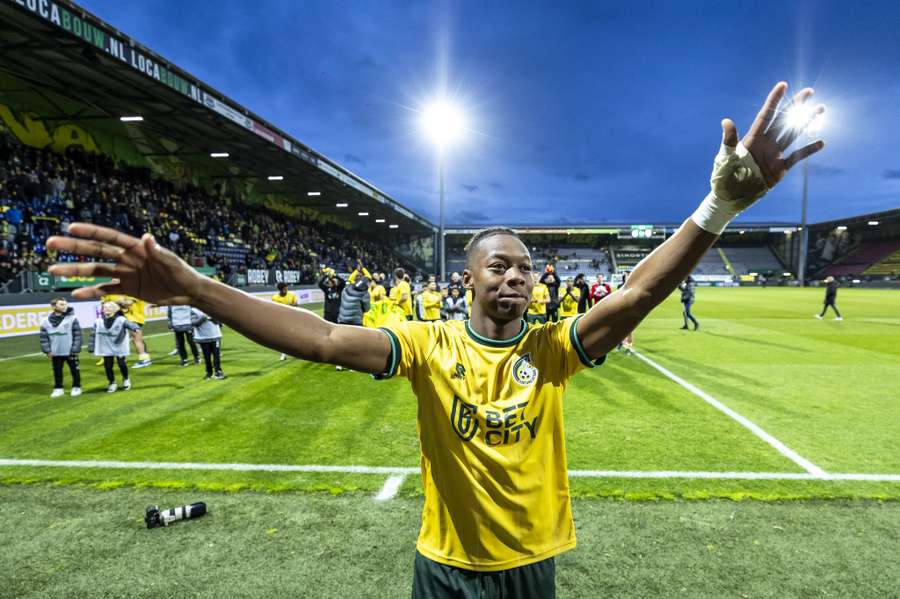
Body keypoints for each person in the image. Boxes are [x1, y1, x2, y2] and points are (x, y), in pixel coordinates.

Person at [48, 81, 825, 598]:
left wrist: (718, 205)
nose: (516, 276)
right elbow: (321, 338)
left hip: (529, 568)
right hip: (444, 570)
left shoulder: (551, 349)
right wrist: (194, 286)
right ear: (469, 278)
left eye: (525, 266)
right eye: (499, 264)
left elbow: (641, 291)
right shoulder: (424, 347)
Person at [90, 301, 139, 393]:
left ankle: (126, 379)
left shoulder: (121, 319)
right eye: (104, 308)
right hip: (106, 345)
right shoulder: (98, 321)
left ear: (115, 309)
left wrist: (135, 327)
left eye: (109, 307)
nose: (106, 309)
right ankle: (112, 383)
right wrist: (91, 346)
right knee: (108, 365)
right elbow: (93, 334)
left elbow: (129, 324)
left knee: (121, 363)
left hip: (119, 345)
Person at [39, 298, 82, 397]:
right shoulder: (45, 321)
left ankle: (76, 386)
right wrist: (47, 350)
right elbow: (43, 337)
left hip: (70, 351)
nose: (64, 306)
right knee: (57, 370)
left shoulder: (72, 318)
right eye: (62, 304)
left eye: (65, 304)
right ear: (54, 307)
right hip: (55, 352)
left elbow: (77, 335)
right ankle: (58, 388)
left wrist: (75, 349)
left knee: (74, 369)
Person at [191, 307, 225, 380]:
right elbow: (194, 323)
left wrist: (212, 317)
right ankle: (209, 372)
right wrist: (204, 316)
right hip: (203, 337)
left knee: (216, 355)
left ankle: (218, 371)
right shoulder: (193, 311)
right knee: (207, 356)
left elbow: (219, 322)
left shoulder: (213, 309)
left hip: (215, 335)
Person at [272, 282, 300, 360]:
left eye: (286, 288)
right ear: (280, 290)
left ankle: (297, 352)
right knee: (283, 337)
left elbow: (296, 304)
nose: (286, 290)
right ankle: (283, 354)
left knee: (294, 336)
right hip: (282, 319)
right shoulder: (275, 297)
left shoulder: (292, 295)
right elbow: (274, 308)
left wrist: (290, 306)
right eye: (284, 289)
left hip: (292, 317)